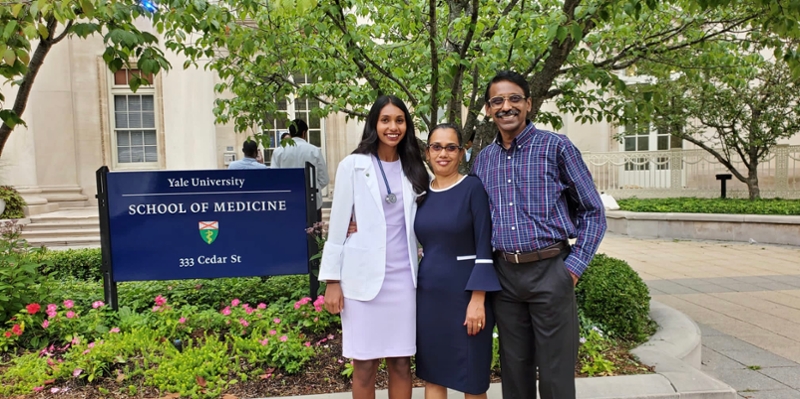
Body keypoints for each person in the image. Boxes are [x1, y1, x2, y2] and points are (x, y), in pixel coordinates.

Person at [471, 70, 607, 399]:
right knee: (514, 372)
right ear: (489, 109)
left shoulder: (556, 147)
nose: (506, 106)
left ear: (528, 104)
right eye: (497, 101)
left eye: (514, 98)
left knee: (555, 375)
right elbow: (473, 220)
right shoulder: (483, 161)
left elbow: (593, 211)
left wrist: (572, 269)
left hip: (551, 271)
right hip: (505, 277)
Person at [319, 95, 429, 399]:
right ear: (374, 124)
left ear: (407, 125)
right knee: (364, 365)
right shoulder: (353, 166)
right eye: (385, 120)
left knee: (401, 363)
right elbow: (338, 227)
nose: (392, 127)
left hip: (404, 281)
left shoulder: (417, 169)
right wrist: (332, 281)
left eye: (399, 120)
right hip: (362, 282)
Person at [414, 123, 501, 398]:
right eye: (436, 147)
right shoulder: (421, 194)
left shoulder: (473, 188)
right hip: (429, 297)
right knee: (433, 374)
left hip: (466, 296)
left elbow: (485, 245)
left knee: (471, 378)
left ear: (462, 152)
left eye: (451, 147)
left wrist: (479, 299)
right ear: (427, 153)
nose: (443, 153)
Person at [271, 119, 330, 218]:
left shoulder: (278, 152)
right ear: (304, 133)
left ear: (290, 132)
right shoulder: (314, 151)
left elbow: (274, 178)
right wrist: (313, 188)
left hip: (287, 201)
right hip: (312, 201)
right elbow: (324, 179)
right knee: (313, 232)